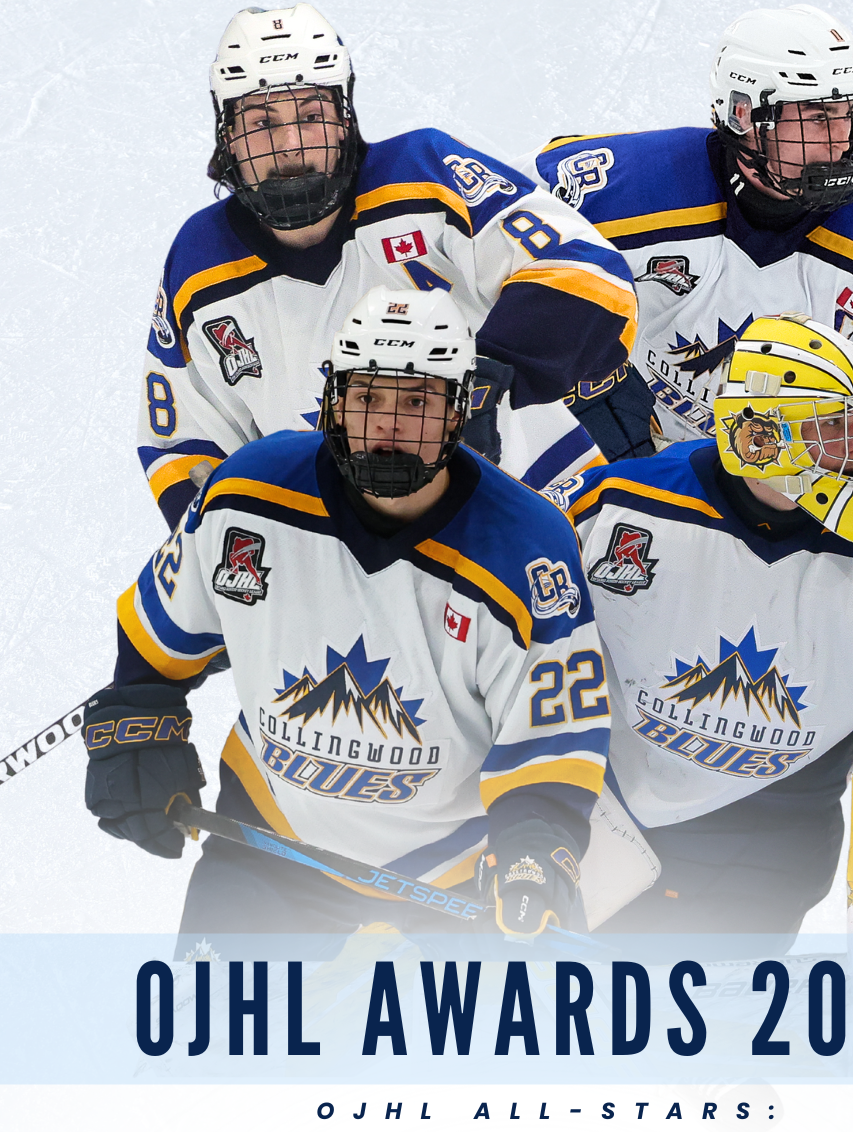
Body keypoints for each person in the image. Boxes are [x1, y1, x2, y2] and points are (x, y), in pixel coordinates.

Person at [89, 288, 612, 938]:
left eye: (416, 402)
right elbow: (162, 633)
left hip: (455, 880)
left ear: (458, 410)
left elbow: (552, 746)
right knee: (215, 1008)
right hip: (268, 849)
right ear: (334, 401)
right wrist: (138, 718)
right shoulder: (248, 494)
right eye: (368, 399)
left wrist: (535, 856)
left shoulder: (526, 550)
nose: (388, 425)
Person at [548, 313, 853, 951]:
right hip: (597, 815)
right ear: (759, 434)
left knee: (709, 1006)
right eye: (833, 427)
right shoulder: (613, 505)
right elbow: (514, 644)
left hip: (769, 847)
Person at [139, 2, 641, 534]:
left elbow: (588, 272)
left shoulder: (424, 175)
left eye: (310, 116)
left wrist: (483, 381)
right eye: (263, 123)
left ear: (344, 118)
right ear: (227, 133)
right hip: (357, 564)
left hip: (551, 511)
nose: (291, 145)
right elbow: (183, 446)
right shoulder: (200, 264)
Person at [525, 3, 853, 533]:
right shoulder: (630, 188)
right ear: (744, 116)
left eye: (847, 112)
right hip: (633, 433)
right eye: (817, 117)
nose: (841, 139)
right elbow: (493, 231)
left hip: (798, 482)